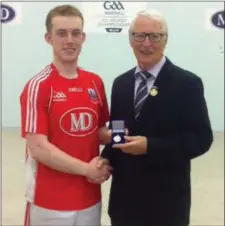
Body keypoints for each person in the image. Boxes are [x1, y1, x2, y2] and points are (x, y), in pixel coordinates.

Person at [101, 9, 213, 226]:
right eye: (139, 36)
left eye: (154, 36)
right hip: (124, 204)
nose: (146, 43)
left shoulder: (187, 83)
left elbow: (201, 139)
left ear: (165, 40)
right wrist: (106, 158)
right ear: (131, 40)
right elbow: (118, 131)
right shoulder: (120, 83)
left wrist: (150, 146)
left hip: (166, 205)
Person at [20, 4, 111, 226]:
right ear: (48, 38)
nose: (69, 40)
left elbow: (97, 132)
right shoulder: (38, 86)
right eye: (62, 33)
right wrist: (86, 169)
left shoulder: (94, 82)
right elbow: (38, 148)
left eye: (75, 33)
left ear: (83, 37)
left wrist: (119, 139)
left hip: (90, 199)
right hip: (49, 203)